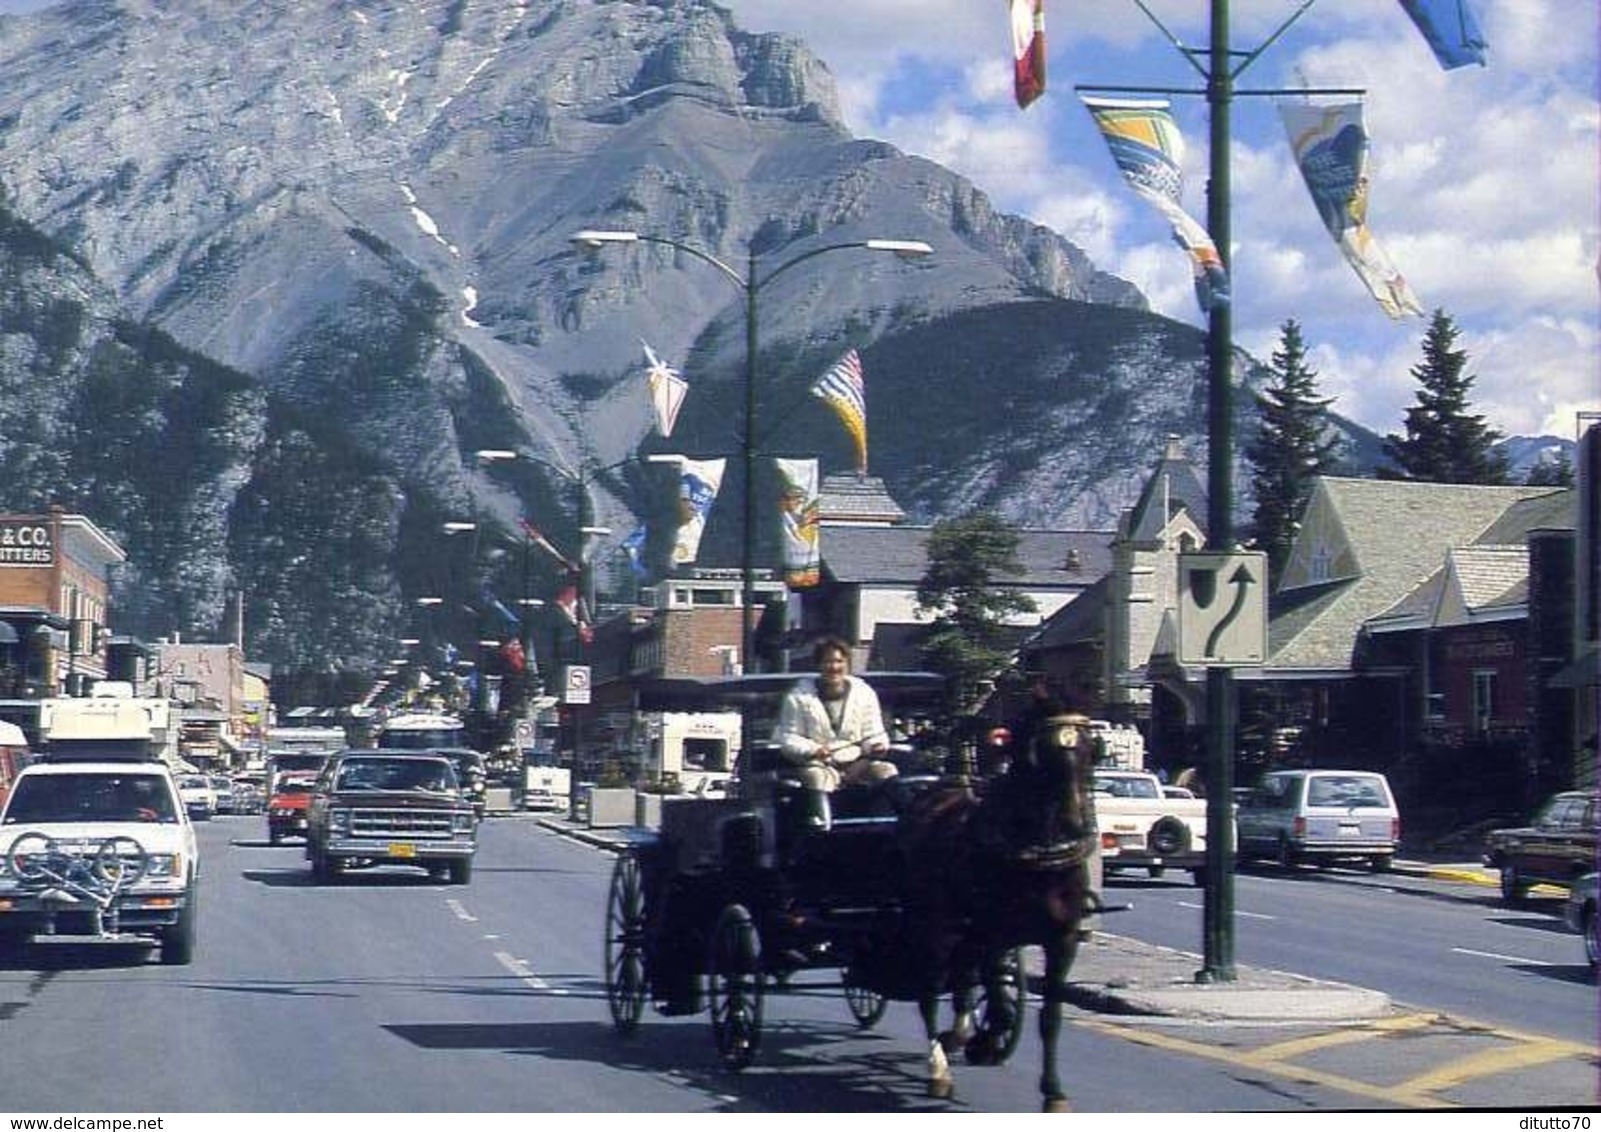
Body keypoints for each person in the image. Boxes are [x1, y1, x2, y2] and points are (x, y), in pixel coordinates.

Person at [773, 635, 894, 828]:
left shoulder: (864, 694)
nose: (834, 667)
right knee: (815, 777)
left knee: (886, 771)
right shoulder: (797, 697)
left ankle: (905, 826)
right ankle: (822, 832)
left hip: (859, 765)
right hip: (819, 765)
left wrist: (873, 750)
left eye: (839, 661)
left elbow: (875, 732)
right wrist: (813, 750)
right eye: (828, 661)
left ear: (847, 664)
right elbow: (787, 737)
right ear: (819, 665)